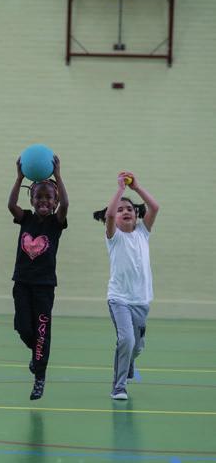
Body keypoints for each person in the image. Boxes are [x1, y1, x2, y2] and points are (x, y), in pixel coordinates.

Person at [93, 171, 159, 400]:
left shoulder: (143, 232)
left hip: (141, 301)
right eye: (121, 210)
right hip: (119, 299)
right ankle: (118, 387)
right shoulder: (114, 237)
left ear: (137, 214)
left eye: (129, 208)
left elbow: (155, 207)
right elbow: (109, 214)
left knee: (137, 347)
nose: (125, 212)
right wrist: (121, 189)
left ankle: (129, 362)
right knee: (126, 340)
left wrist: (137, 187)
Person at [7, 155, 68, 400]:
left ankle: (39, 376)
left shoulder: (56, 222)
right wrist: (20, 177)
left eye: (48, 198)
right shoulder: (27, 219)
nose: (43, 201)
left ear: (54, 203)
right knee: (22, 327)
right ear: (31, 200)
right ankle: (37, 355)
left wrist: (59, 176)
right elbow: (11, 205)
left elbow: (66, 205)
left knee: (42, 331)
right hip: (22, 283)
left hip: (44, 286)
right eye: (38, 197)